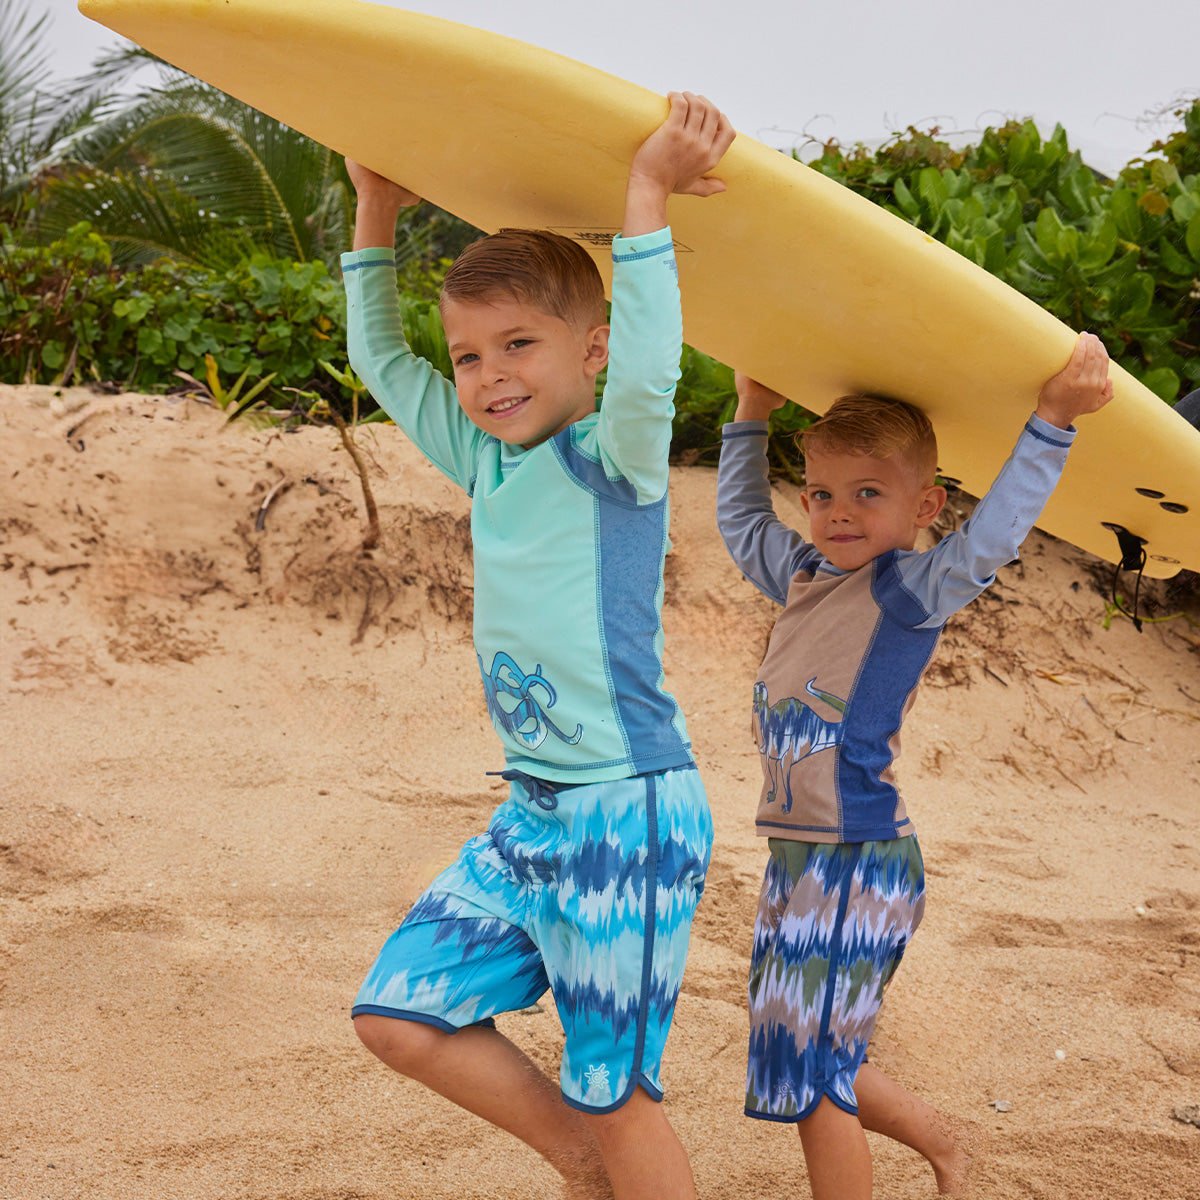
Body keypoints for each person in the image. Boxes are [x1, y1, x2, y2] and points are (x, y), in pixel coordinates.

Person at [340, 92, 735, 1200]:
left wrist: (645, 195)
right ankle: (580, 1158)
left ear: (589, 351)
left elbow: (656, 371)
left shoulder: (615, 464)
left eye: (520, 343)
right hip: (534, 813)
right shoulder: (485, 461)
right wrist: (376, 210)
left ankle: (602, 1146)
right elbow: (382, 359)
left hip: (628, 811)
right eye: (469, 355)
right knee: (401, 1012)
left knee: (620, 1093)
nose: (490, 374)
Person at [717, 334, 1113, 1199]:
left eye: (868, 493)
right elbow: (743, 523)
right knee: (792, 1057)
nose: (839, 511)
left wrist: (1053, 421)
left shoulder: (910, 590)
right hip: (794, 860)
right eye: (821, 493)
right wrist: (750, 412)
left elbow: (993, 538)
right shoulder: (803, 573)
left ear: (925, 504)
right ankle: (938, 1137)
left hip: (862, 861)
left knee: (816, 1078)